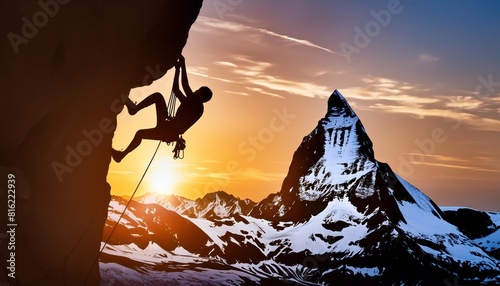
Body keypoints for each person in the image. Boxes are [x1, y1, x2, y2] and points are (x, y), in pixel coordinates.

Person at [112, 55, 212, 162]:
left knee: (142, 130)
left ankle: (133, 110)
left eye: (198, 91)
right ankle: (121, 155)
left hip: (168, 130)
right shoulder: (193, 105)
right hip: (169, 130)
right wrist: (177, 70)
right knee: (142, 129)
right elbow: (176, 90)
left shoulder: (196, 105)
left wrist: (183, 64)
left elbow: (185, 85)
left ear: (201, 96)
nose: (195, 91)